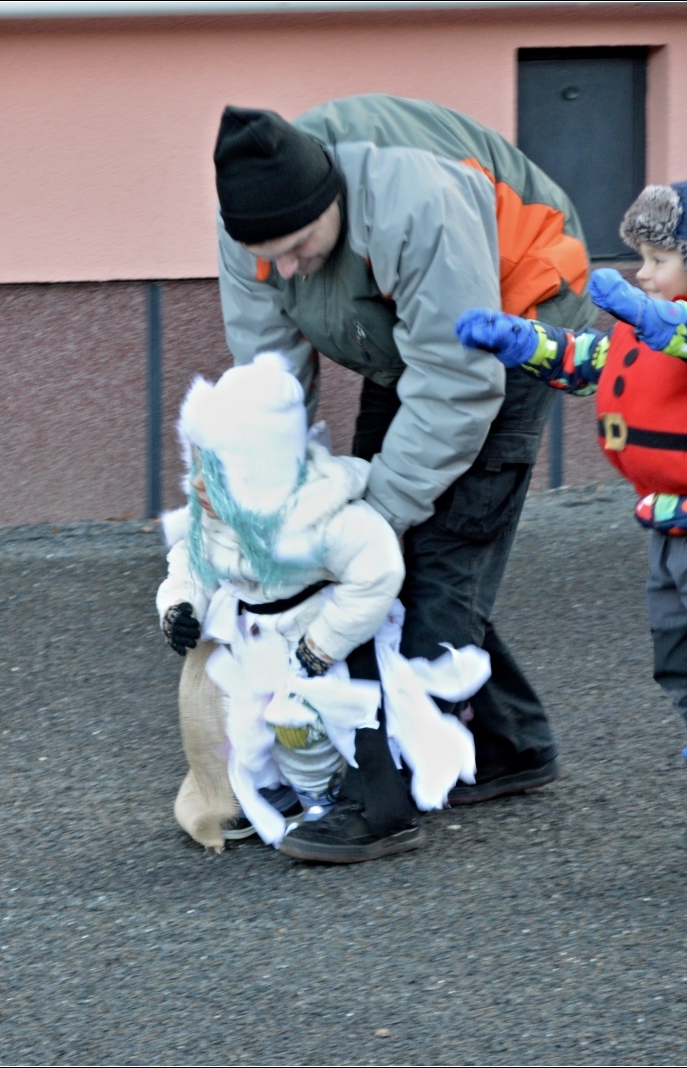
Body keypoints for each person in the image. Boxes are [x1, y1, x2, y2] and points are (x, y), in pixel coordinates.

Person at [212, 95, 596, 861]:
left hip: (511, 323)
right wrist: (272, 502)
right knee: (370, 556)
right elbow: (270, 384)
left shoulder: (415, 204)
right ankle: (511, 744)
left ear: (330, 203)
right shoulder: (251, 223)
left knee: (434, 559)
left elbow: (458, 382)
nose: (284, 269)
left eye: (298, 247)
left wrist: (373, 516)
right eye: (268, 256)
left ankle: (376, 798)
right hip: (406, 335)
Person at [455, 179, 687, 856]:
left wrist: (655, 318)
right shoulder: (648, 331)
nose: (643, 274)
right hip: (668, 528)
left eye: (658, 260)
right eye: (641, 260)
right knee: (681, 667)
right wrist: (519, 340)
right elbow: (587, 360)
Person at [159, 355, 487, 859]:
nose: (200, 485)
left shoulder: (324, 515)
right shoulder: (214, 516)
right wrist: (180, 605)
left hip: (319, 641)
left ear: (258, 472)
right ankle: (267, 789)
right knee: (244, 722)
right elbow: (190, 563)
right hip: (254, 642)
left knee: (311, 728)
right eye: (198, 467)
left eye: (218, 473)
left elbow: (378, 571)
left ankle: (333, 800)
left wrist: (324, 642)